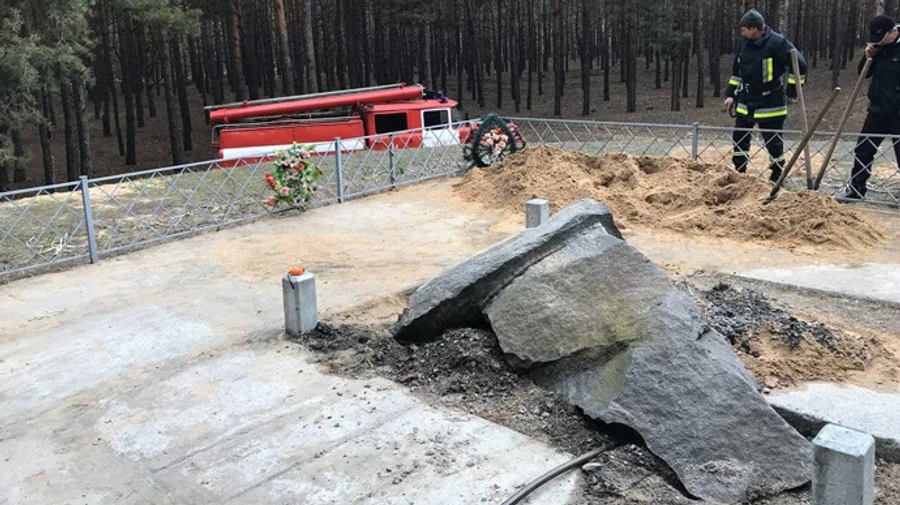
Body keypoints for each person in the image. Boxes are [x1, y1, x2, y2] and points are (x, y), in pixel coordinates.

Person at [724, 9, 807, 182]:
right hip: (746, 100)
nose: (742, 32)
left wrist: (792, 91)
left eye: (744, 29)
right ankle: (739, 173)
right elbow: (736, 72)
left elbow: (799, 64)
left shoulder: (778, 43)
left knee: (773, 142)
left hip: (771, 101)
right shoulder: (744, 43)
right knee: (739, 137)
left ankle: (777, 175)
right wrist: (731, 94)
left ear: (754, 28)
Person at [838, 15, 900, 201]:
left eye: (882, 37)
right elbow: (863, 73)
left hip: (898, 113)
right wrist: (868, 57)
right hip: (877, 110)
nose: (878, 42)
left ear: (894, 32)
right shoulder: (879, 49)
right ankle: (856, 189)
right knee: (863, 149)